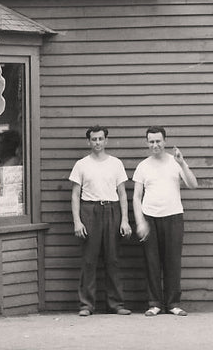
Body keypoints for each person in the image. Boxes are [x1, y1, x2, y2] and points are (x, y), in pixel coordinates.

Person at [133, 126, 198, 317]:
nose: (155, 145)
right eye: (151, 141)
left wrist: (183, 163)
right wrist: (140, 222)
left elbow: (193, 185)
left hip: (173, 216)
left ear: (165, 141)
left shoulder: (175, 162)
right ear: (147, 143)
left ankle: (173, 304)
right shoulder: (143, 166)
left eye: (158, 141)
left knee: (172, 262)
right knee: (152, 262)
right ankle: (154, 304)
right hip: (150, 217)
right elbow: (137, 196)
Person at [67, 125, 131, 317]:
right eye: (94, 139)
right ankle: (86, 305)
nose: (97, 142)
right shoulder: (81, 164)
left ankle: (116, 304)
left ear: (106, 141)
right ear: (89, 142)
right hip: (89, 210)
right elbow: (75, 194)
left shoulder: (116, 163)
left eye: (100, 139)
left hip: (112, 209)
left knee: (113, 259)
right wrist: (77, 221)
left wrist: (125, 220)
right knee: (89, 259)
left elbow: (122, 193)